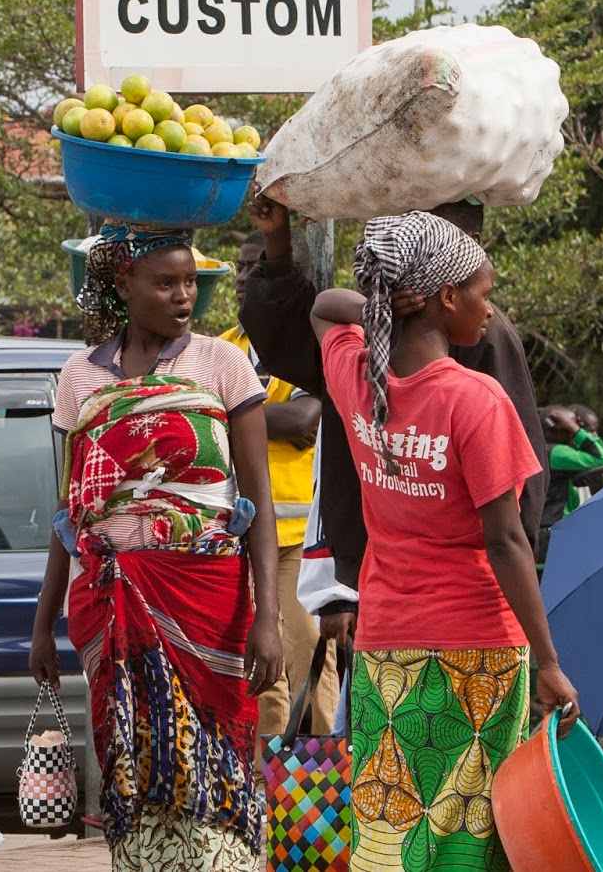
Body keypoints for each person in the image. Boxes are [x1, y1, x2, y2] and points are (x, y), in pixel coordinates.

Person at [309, 210, 579, 872]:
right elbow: (507, 542)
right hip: (479, 654)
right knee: (477, 836)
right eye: (484, 292)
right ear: (445, 298)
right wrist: (548, 663)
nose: (490, 310)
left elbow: (324, 307)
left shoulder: (355, 378)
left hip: (383, 652)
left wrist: (382, 304)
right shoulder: (477, 400)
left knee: (394, 832)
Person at [28, 224, 283, 872]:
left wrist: (269, 619)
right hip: (109, 606)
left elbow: (258, 496)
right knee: (134, 771)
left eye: (190, 282)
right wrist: (41, 624)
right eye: (165, 282)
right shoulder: (79, 377)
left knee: (218, 763)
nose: (183, 297)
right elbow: (70, 505)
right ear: (124, 285)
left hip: (208, 603)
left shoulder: (220, 364)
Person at [240, 196, 548, 646]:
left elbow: (515, 514)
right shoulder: (391, 368)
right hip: (451, 623)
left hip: (403, 624)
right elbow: (507, 537)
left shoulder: (366, 366)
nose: (487, 308)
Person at [221, 230, 337, 737]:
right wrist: (265, 414)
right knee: (259, 666)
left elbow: (306, 420)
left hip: (299, 537)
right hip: (237, 533)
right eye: (241, 268)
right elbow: (280, 419)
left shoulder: (306, 350)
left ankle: (324, 783)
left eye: (258, 268)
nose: (247, 277)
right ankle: (268, 787)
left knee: (309, 652)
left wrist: (234, 415)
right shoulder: (222, 350)